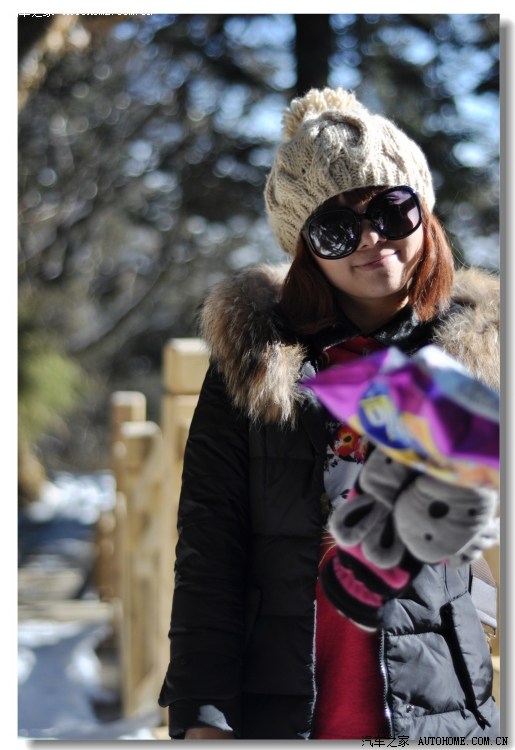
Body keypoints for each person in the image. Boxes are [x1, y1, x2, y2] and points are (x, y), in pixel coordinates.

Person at [158, 87, 500, 740]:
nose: (373, 239)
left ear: (424, 212)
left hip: (443, 713)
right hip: (283, 710)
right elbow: (209, 549)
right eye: (336, 228)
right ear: (304, 248)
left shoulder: (481, 360)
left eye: (392, 209)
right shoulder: (256, 368)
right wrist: (202, 713)